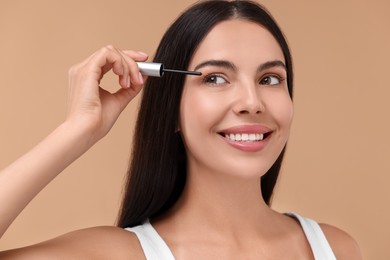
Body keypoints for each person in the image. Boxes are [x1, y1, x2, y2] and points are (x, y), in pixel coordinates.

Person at [0, 0, 361, 259]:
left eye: (270, 78)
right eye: (216, 78)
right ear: (170, 108)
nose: (252, 102)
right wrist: (77, 130)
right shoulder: (119, 254)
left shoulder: (335, 248)